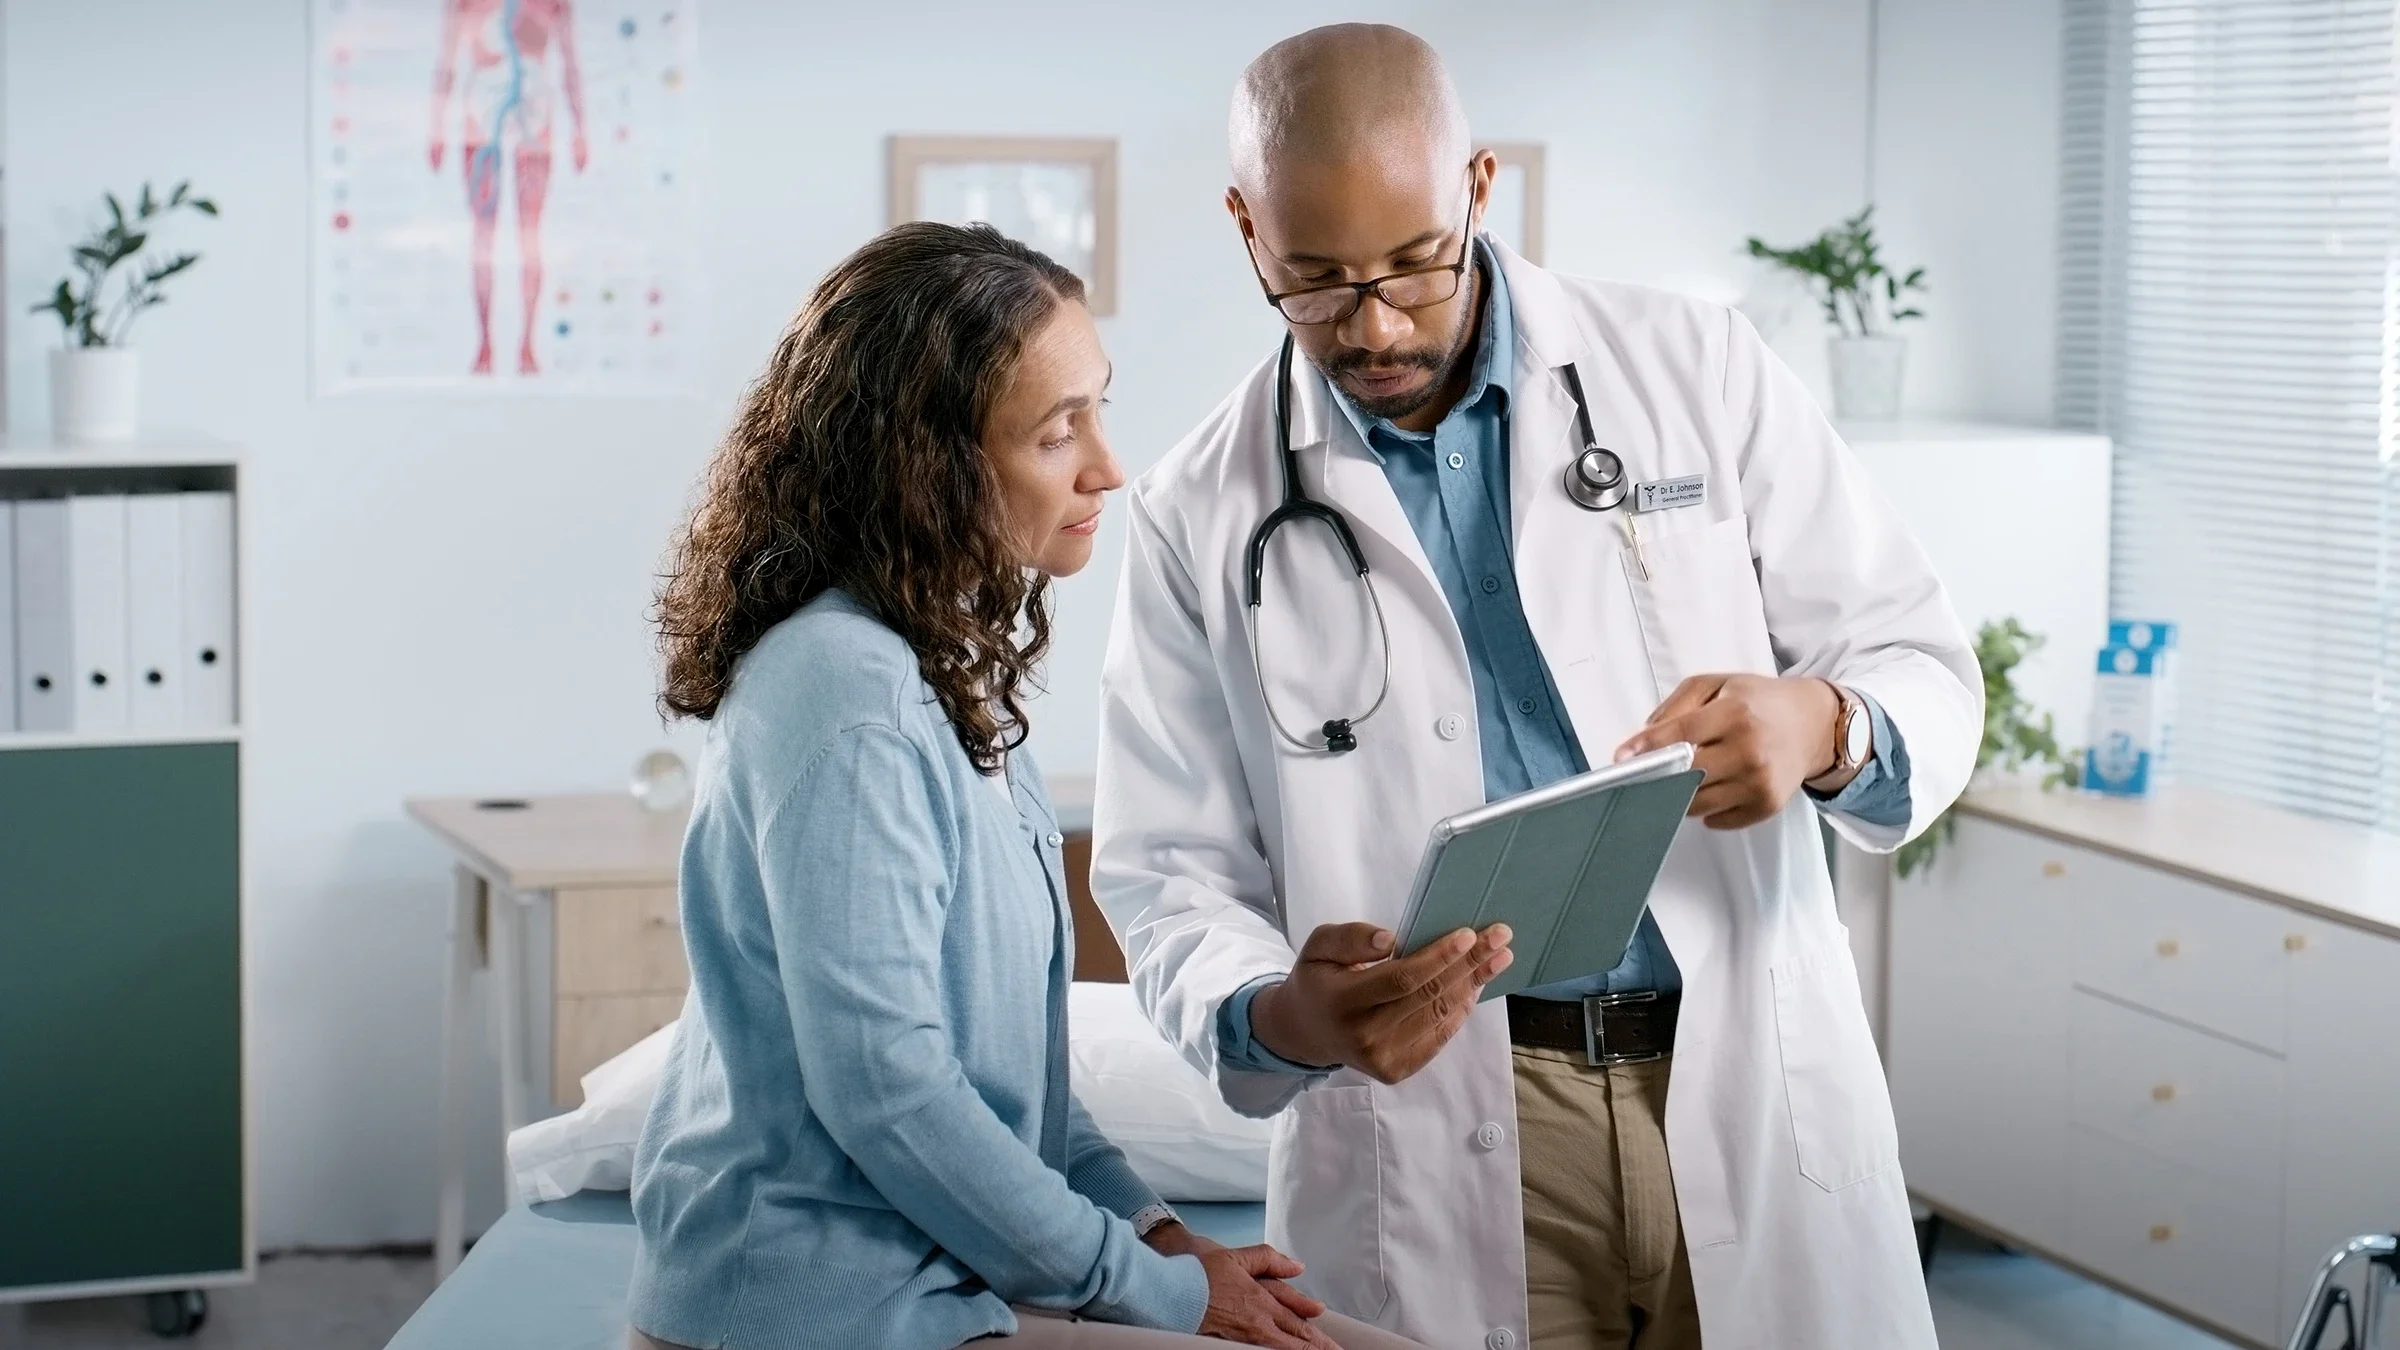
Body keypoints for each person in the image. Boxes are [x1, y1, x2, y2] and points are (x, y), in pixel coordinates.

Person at [1092, 24, 1980, 1350]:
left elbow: (1917, 657)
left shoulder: (1698, 369)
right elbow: (1167, 866)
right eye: (1319, 282)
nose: (1377, 324)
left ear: (1481, 189)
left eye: (1413, 266)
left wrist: (1824, 723)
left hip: (1732, 1072)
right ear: (1245, 228)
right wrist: (1279, 1011)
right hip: (1442, 1111)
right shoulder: (1195, 510)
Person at [631, 222, 1424, 1350]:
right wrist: (1154, 1291)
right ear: (930, 464)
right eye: (1061, 432)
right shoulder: (847, 690)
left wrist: (1155, 1238)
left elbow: (1014, 1084)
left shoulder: (930, 668)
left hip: (933, 1283)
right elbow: (890, 1090)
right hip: (814, 1309)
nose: (1108, 464)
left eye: (1098, 407)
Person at [427, 0, 588, 375]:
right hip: (481, 118)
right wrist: (436, 127)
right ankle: (485, 343)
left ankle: (527, 345)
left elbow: (569, 63)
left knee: (529, 234)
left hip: (534, 117)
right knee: (484, 235)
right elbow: (447, 63)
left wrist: (581, 130)